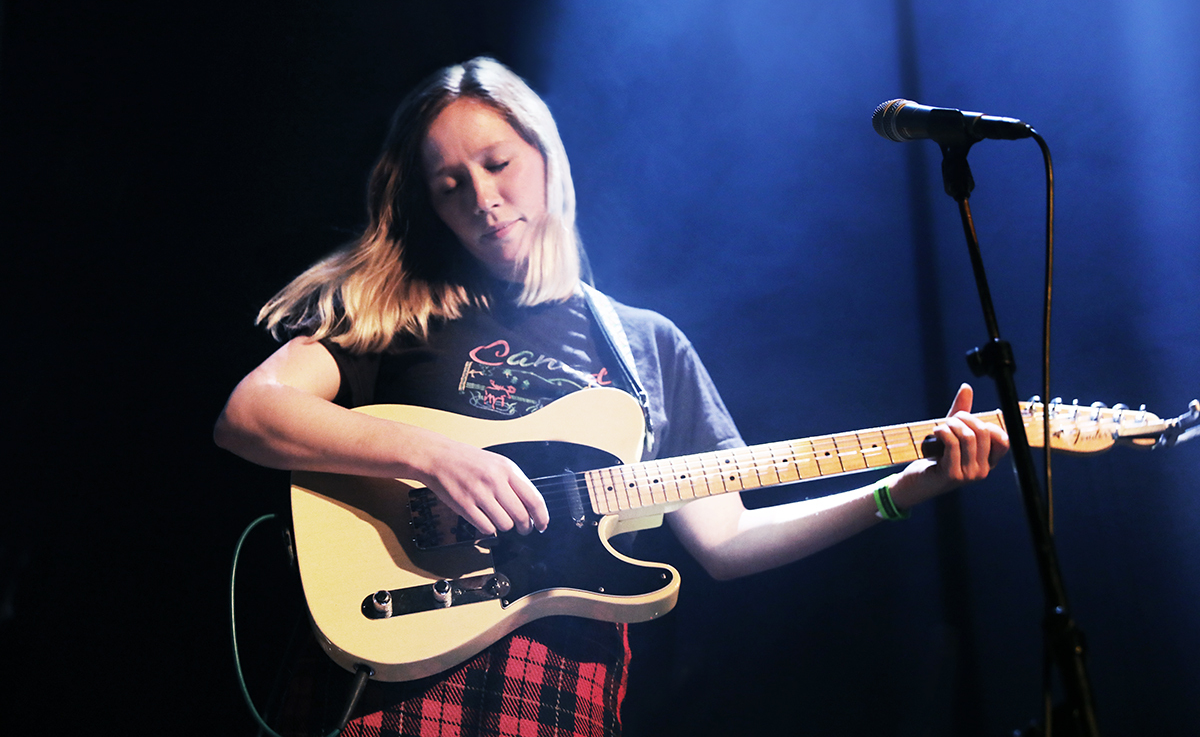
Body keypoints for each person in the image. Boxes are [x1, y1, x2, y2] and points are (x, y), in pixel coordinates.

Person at [214, 56, 1009, 737]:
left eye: (498, 163)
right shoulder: (399, 309)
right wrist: (433, 454)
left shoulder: (644, 346)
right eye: (450, 185)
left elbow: (726, 541)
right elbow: (251, 413)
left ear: (546, 155)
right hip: (396, 683)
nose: (482, 198)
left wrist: (902, 490)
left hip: (557, 690)